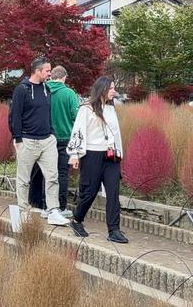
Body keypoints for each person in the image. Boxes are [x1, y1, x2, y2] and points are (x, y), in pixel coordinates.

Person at [67, 77, 129, 243]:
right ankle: (77, 220)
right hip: (92, 156)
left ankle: (114, 230)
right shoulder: (86, 109)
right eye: (111, 88)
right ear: (102, 89)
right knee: (89, 192)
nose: (113, 91)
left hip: (111, 157)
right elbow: (78, 131)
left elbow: (116, 134)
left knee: (113, 192)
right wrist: (74, 155)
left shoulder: (111, 109)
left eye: (114, 88)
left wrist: (119, 153)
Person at [8, 57, 68, 226]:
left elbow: (47, 113)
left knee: (52, 177)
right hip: (27, 140)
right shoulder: (22, 90)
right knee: (24, 179)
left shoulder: (46, 89)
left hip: (47, 140)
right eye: (47, 71)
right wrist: (17, 138)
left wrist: (52, 133)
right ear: (37, 71)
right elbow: (14, 115)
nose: (50, 74)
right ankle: (23, 211)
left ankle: (53, 211)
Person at [47, 65, 80, 216]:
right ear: (64, 77)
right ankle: (61, 207)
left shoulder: (43, 91)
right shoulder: (69, 93)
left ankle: (46, 206)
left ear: (51, 76)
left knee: (47, 174)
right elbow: (77, 116)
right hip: (65, 139)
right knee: (62, 174)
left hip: (46, 138)